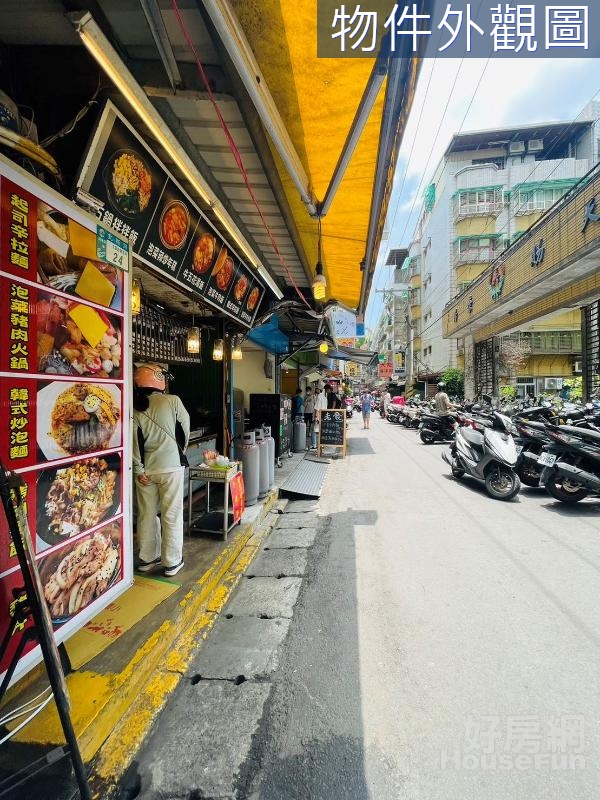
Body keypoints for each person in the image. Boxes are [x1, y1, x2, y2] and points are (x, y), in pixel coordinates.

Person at [132, 363, 190, 577]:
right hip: (171, 468)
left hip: (146, 471)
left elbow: (134, 441)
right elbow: (185, 429)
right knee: (171, 515)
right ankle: (172, 562)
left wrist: (139, 469)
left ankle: (147, 559)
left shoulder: (136, 407)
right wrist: (179, 452)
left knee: (146, 515)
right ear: (158, 380)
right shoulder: (172, 401)